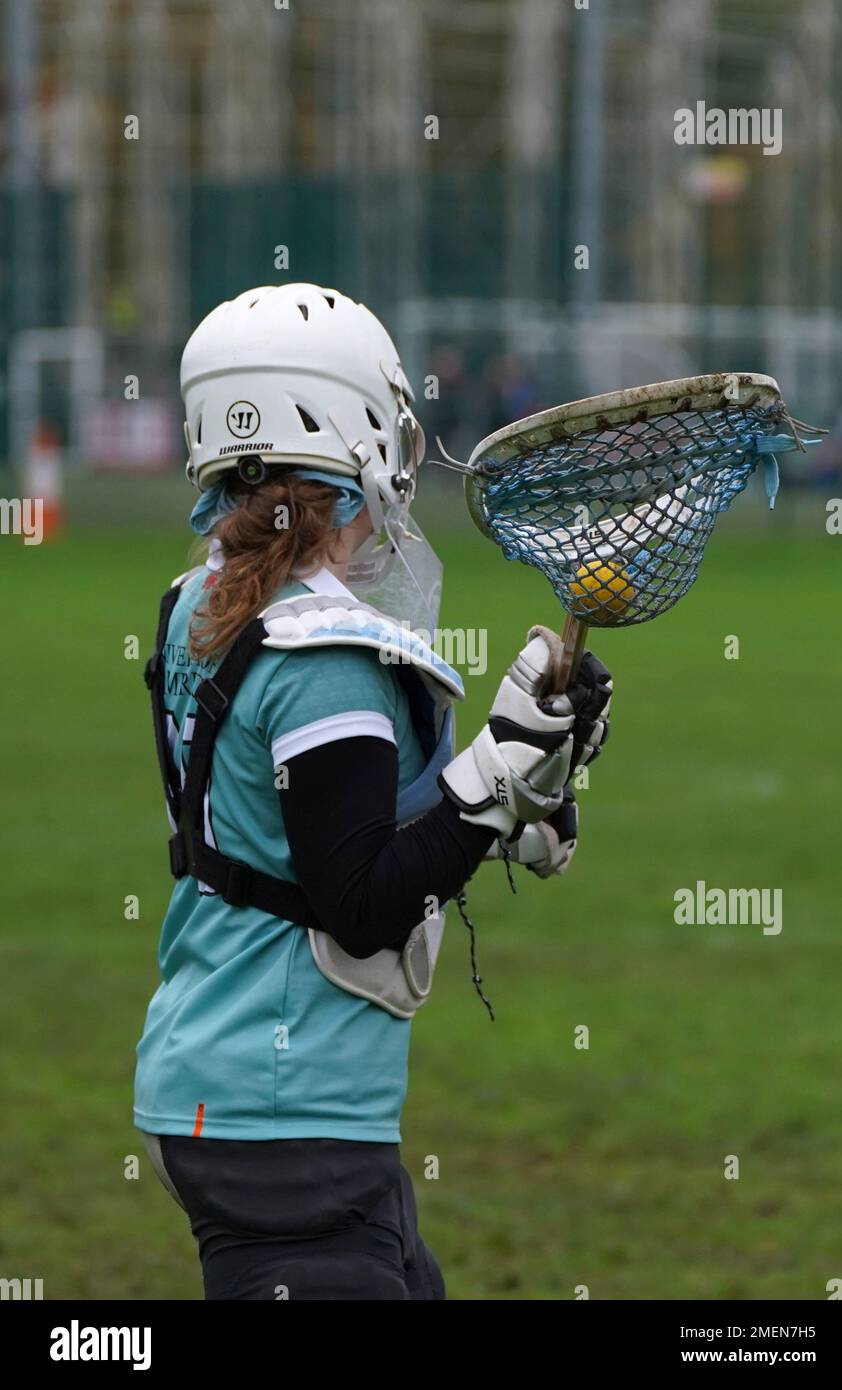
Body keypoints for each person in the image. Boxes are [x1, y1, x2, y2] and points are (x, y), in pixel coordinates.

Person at [134, 283, 613, 1301]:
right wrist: (489, 774)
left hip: (236, 1091)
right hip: (286, 1119)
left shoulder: (198, 606)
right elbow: (356, 901)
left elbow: (305, 829)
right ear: (354, 434)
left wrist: (513, 791)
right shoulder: (324, 658)